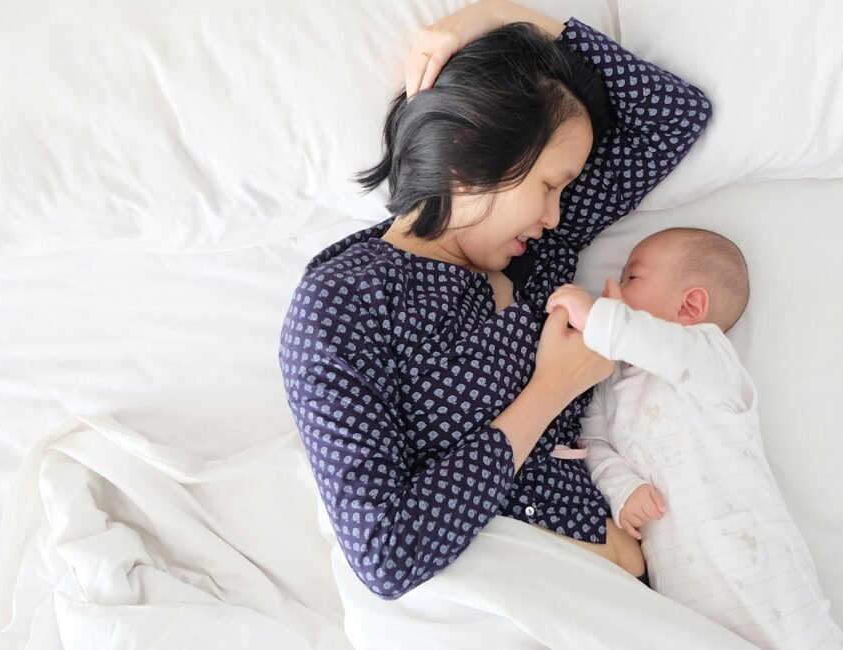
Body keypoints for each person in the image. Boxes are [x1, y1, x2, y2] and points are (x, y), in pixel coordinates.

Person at [279, 0, 711, 599]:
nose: (558, 212)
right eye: (549, 185)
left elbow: (674, 115)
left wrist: (500, 17)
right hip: (511, 602)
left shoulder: (539, 251)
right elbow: (385, 553)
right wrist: (550, 390)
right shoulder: (343, 301)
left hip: (627, 598)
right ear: (470, 152)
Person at [548, 228, 843, 649]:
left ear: (689, 306)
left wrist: (599, 317)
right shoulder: (610, 381)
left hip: (762, 572)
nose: (610, 289)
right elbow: (593, 443)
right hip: (685, 595)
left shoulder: (707, 356)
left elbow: (659, 345)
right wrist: (623, 487)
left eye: (631, 278)